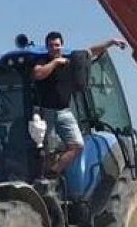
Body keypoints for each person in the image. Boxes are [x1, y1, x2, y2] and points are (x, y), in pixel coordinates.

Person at [32, 30, 127, 176]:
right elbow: (38, 74)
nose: (54, 48)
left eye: (57, 45)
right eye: (51, 46)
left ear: (61, 45)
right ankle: (43, 177)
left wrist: (111, 42)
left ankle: (53, 173)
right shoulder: (43, 61)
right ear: (47, 47)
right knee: (48, 149)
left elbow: (90, 52)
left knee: (77, 145)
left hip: (64, 112)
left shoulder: (71, 60)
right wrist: (56, 62)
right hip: (46, 113)